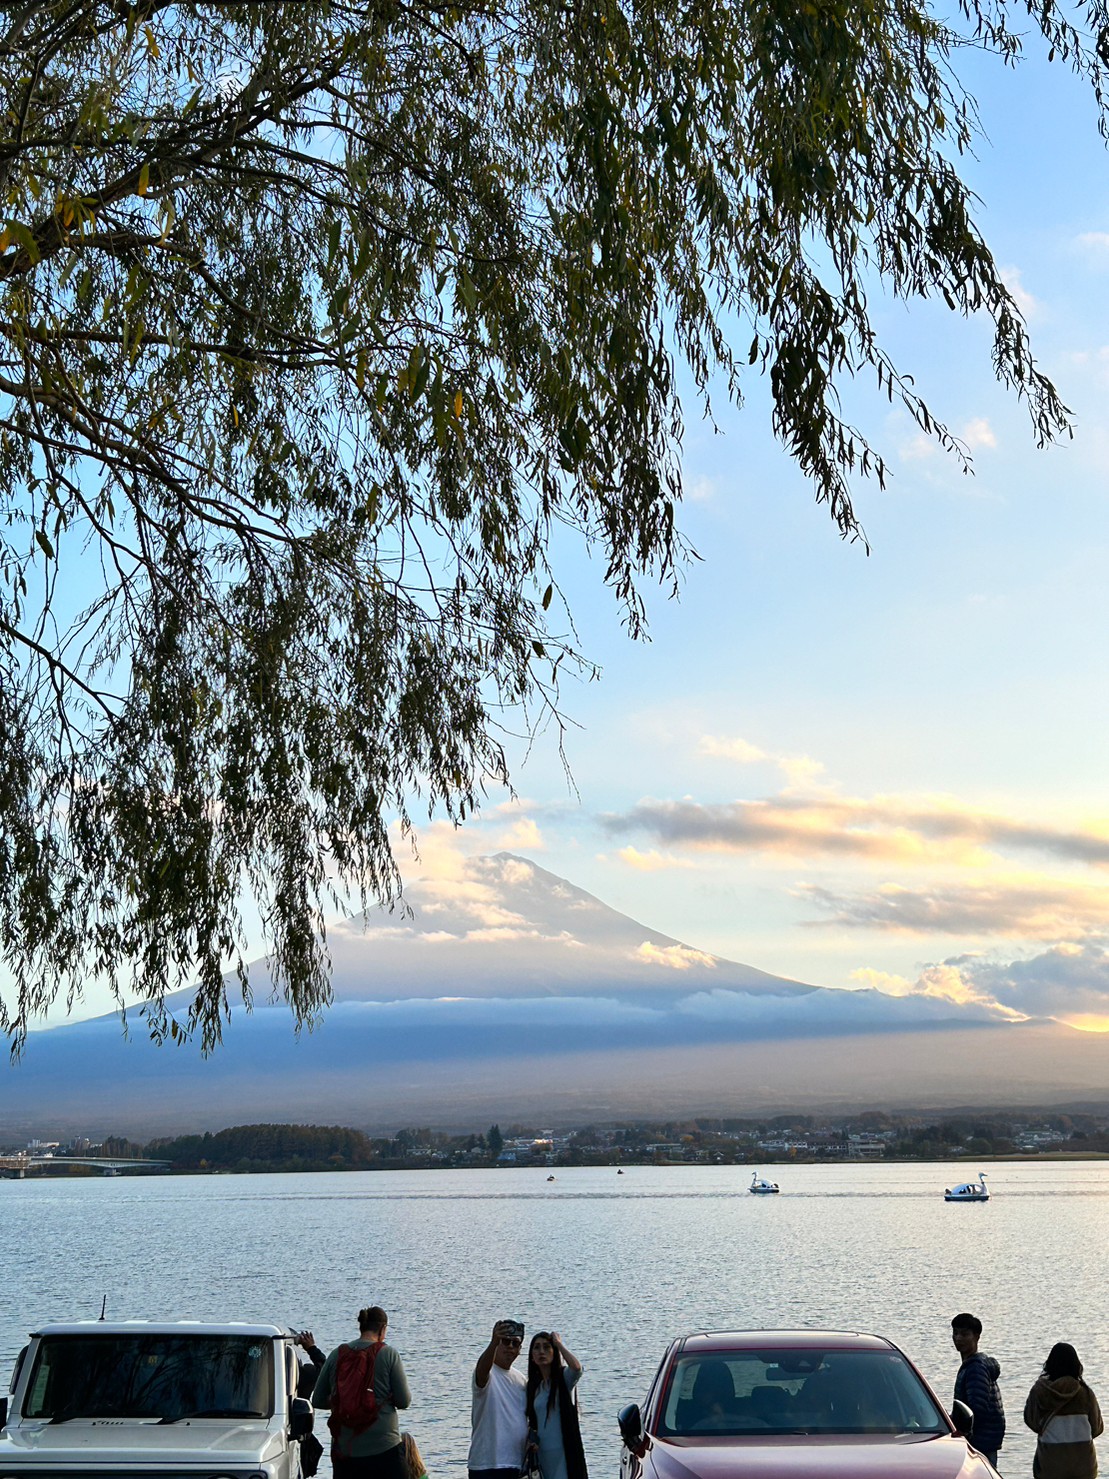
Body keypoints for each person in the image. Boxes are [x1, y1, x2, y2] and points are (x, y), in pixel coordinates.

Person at [312, 1305, 412, 1479]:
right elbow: (404, 1401)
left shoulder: (337, 1354)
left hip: (346, 1453)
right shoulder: (389, 1354)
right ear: (383, 1329)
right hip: (385, 1448)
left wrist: (346, 1400)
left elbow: (318, 1400)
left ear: (361, 1327)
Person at [1024, 1342, 1104, 1479]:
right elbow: (1097, 1428)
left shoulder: (1039, 1391)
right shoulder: (1085, 1393)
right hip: (1083, 1466)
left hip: (1049, 1465)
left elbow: (1031, 1421)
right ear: (1076, 1366)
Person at [469, 1319, 528, 1479]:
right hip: (486, 1465)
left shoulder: (522, 1380)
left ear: (519, 1349)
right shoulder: (487, 1373)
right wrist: (493, 1342)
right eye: (505, 1341)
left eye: (514, 1343)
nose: (509, 1347)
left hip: (516, 1464)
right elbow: (482, 1370)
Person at [525, 1331, 587, 1479]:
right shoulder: (534, 1387)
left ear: (554, 1353)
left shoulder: (563, 1379)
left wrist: (559, 1343)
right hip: (542, 1454)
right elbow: (532, 1421)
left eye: (547, 1347)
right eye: (537, 1348)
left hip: (564, 1453)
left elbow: (577, 1368)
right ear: (532, 1357)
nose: (541, 1352)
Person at [951, 1312, 1005, 1468]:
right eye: (955, 1333)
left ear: (977, 1336)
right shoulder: (975, 1365)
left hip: (980, 1441)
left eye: (964, 1334)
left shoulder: (975, 1369)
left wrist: (961, 1430)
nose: (958, 1338)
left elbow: (976, 1408)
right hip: (987, 1439)